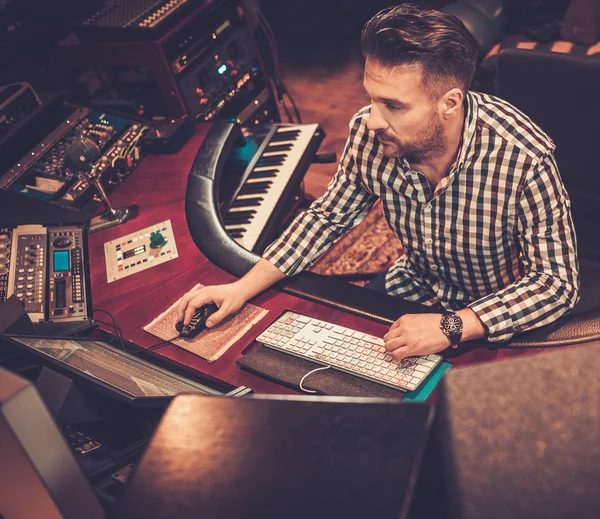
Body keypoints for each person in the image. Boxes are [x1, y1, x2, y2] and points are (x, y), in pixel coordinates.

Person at [178, 3, 579, 360]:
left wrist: (453, 326)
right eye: (371, 97)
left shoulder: (523, 157)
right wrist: (241, 288)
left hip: (491, 313)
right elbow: (328, 218)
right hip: (416, 282)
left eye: (393, 105)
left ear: (450, 103)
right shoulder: (371, 134)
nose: (372, 119)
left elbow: (556, 284)